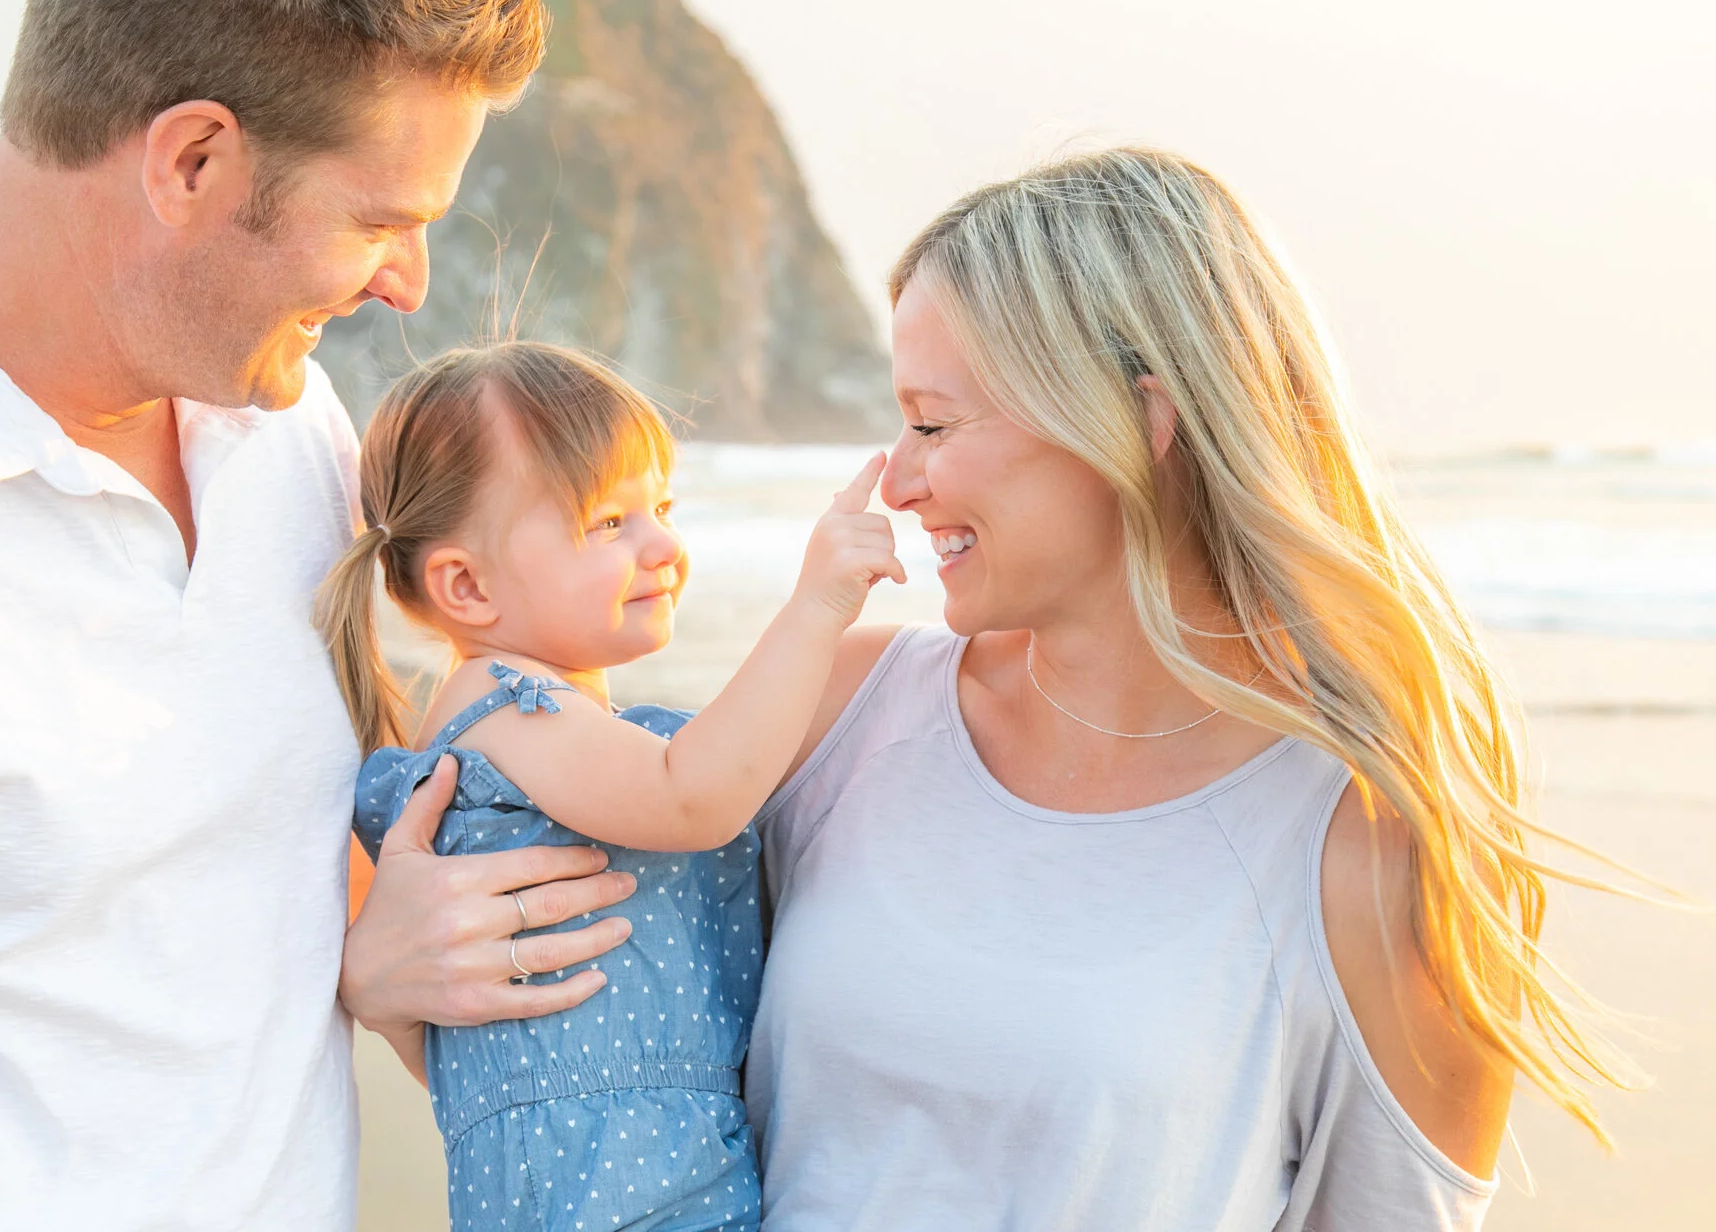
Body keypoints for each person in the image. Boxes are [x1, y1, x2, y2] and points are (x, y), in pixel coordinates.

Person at [345, 147, 1636, 1230]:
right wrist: (384, 978)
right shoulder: (836, 718)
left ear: (1138, 421)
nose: (897, 482)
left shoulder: (1367, 845)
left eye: (934, 422)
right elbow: (606, 1067)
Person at [0, 0, 633, 1227]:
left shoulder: (286, 429)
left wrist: (376, 954)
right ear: (193, 161)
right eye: (382, 219)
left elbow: (289, 836)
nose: (409, 285)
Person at [314, 341, 901, 1231]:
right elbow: (692, 798)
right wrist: (816, 606)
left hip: (647, 1168)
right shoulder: (499, 704)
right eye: (608, 523)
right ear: (466, 586)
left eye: (660, 506)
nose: (664, 543)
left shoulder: (566, 741)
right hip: (610, 1191)